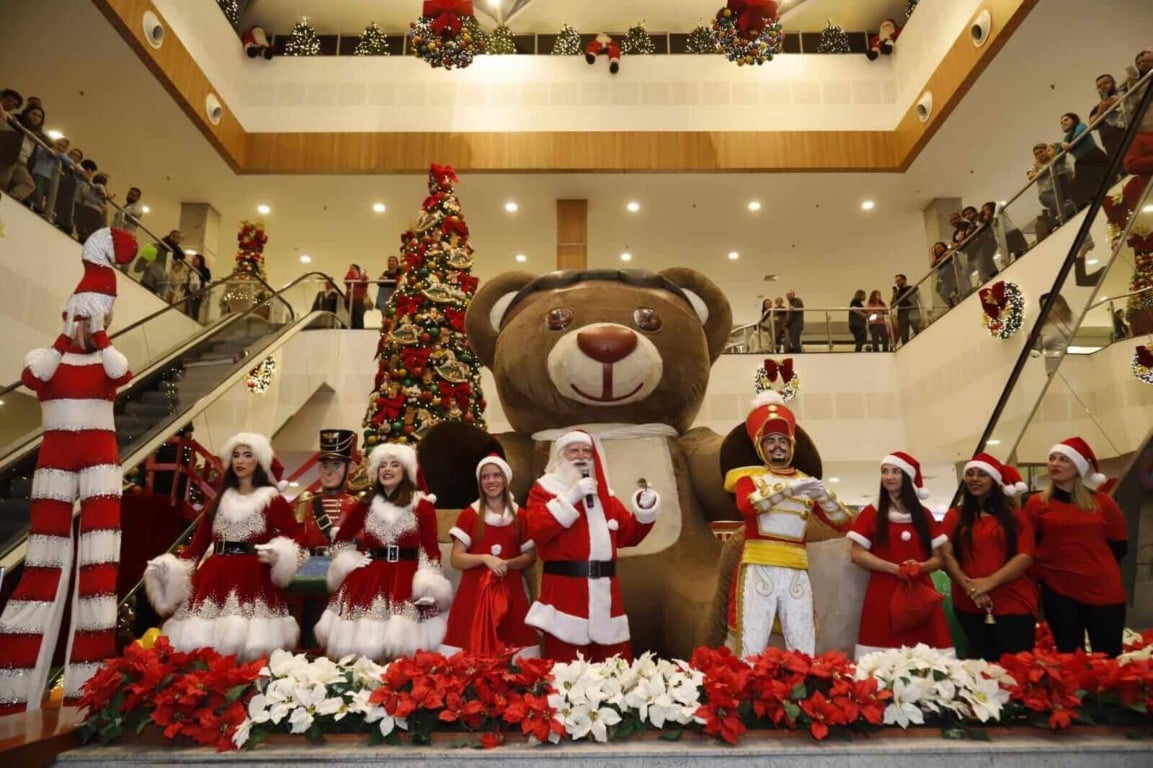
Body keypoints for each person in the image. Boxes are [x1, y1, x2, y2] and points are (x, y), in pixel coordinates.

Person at [0, 228, 137, 713]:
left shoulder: (107, 358)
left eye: (95, 316)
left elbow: (121, 374)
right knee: (44, 561)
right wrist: (66, 337)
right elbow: (33, 377)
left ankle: (87, 687)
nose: (85, 324)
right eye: (79, 314)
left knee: (99, 566)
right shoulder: (46, 359)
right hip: (54, 463)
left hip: (101, 462)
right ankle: (14, 689)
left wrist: (98, 336)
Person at [144, 433, 309, 661]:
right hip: (213, 577)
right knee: (203, 646)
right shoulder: (219, 500)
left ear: (259, 461)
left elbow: (299, 537)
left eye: (247, 455)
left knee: (251, 647)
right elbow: (196, 548)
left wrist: (281, 554)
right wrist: (167, 568)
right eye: (236, 455)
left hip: (252, 578)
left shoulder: (271, 499)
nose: (240, 461)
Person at [724, 392, 851, 657]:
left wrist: (823, 496)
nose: (777, 446)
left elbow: (843, 522)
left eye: (782, 440)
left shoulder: (806, 482)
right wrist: (789, 489)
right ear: (760, 446)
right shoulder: (749, 479)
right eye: (770, 441)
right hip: (759, 567)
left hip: (796, 570)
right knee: (752, 644)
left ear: (791, 444)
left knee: (803, 641)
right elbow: (748, 506)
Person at [524, 430, 660, 663]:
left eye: (586, 451)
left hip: (605, 597)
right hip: (565, 596)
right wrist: (572, 496)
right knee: (566, 669)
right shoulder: (544, 489)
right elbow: (537, 528)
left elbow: (628, 536)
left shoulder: (605, 496)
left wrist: (644, 509)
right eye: (574, 451)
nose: (581, 456)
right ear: (561, 455)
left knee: (614, 667)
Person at [315, 443, 451, 661]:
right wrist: (351, 561)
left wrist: (427, 584)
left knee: (406, 650)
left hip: (407, 578)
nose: (387, 469)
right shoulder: (366, 504)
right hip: (370, 577)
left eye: (395, 465)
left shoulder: (422, 505)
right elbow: (341, 539)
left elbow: (430, 549)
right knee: (363, 647)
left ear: (406, 470)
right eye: (383, 465)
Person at [1026, 438, 1128, 657]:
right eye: (1052, 458)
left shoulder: (1103, 503)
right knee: (1069, 659)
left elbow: (1119, 545)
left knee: (1108, 659)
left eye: (1064, 460)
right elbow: (1028, 545)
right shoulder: (1036, 503)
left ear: (1078, 468)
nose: (1055, 464)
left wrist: (1092, 567)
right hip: (1059, 590)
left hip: (1103, 590)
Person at [848, 452, 952, 658]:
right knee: (879, 653)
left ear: (907, 476)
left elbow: (940, 557)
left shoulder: (924, 515)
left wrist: (921, 567)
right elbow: (857, 553)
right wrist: (896, 569)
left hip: (920, 593)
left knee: (927, 654)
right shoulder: (871, 513)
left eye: (895, 471)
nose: (889, 477)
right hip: (882, 593)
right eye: (885, 472)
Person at [940, 454, 1037, 661]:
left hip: (1012, 602)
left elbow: (1025, 557)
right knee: (979, 666)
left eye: (982, 474)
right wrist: (971, 588)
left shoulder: (1015, 515)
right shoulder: (954, 516)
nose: (974, 478)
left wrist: (989, 582)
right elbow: (946, 555)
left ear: (994, 480)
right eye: (970, 473)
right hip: (969, 603)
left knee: (1016, 667)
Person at [441, 454, 540, 657]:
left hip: (511, 593)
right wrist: (485, 558)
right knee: (467, 654)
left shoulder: (521, 516)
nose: (491, 481)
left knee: (519, 655)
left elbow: (530, 557)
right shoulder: (469, 515)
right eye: (485, 477)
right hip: (474, 594)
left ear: (505, 479)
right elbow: (456, 558)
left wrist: (507, 563)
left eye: (496, 475)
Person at [294, 429, 360, 553]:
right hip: (313, 562)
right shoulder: (308, 502)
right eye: (325, 466)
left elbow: (363, 539)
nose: (329, 472)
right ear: (319, 468)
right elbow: (297, 536)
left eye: (337, 465)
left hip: (345, 561)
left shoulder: (357, 504)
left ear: (351, 467)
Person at [891, 274, 921, 346]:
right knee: (904, 335)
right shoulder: (897, 293)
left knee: (917, 330)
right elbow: (892, 306)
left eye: (899, 281)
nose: (897, 283)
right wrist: (894, 294)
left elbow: (920, 300)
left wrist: (922, 315)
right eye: (896, 282)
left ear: (904, 280)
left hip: (912, 311)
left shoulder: (912, 288)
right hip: (902, 314)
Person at [344, 263, 369, 330]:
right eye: (350, 268)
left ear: (357, 269)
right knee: (352, 317)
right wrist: (351, 273)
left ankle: (360, 330)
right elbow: (347, 279)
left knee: (359, 317)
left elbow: (365, 280)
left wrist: (362, 275)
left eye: (353, 268)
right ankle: (353, 330)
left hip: (359, 300)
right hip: (349, 299)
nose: (351, 270)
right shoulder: (349, 275)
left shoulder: (363, 276)